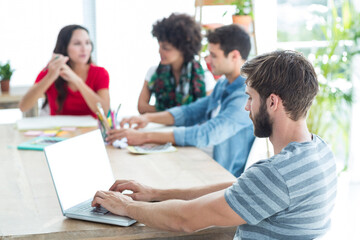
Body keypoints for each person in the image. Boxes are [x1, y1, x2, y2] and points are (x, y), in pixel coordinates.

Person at [92, 50, 337, 239]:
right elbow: (242, 188)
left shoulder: (277, 174)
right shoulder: (320, 150)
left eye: (250, 97)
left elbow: (185, 220)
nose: (246, 107)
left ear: (273, 102)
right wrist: (157, 194)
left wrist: (128, 206)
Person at [108, 24, 255, 177]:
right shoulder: (224, 84)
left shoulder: (245, 95)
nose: (208, 60)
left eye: (214, 55)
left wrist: (145, 136)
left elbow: (207, 133)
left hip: (220, 172)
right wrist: (147, 118)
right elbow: (191, 111)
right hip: (204, 157)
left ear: (234, 56)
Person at [19, 25, 110, 118]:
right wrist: (50, 76)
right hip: (60, 130)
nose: (84, 49)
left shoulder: (100, 73)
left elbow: (106, 111)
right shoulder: (51, 70)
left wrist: (77, 81)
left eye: (87, 43)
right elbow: (23, 106)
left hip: (91, 130)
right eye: (77, 43)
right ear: (64, 47)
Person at [138, 13, 215, 114]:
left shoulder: (204, 77)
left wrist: (165, 113)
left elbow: (207, 111)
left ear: (183, 49)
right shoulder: (153, 72)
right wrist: (182, 112)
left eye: (166, 48)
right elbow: (142, 107)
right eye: (159, 46)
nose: (159, 51)